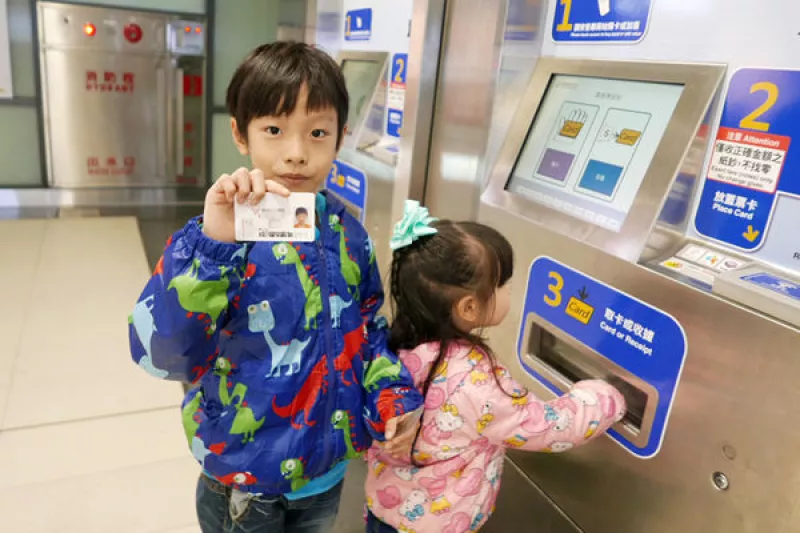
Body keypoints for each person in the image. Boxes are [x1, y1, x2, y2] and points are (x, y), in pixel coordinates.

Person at [128, 42, 423, 533]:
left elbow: (370, 333)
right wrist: (214, 241)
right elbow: (162, 355)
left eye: (317, 132)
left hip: (325, 475)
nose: (296, 153)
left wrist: (392, 395)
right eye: (273, 129)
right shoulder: (216, 239)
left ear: (341, 137)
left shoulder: (348, 236)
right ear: (239, 133)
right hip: (244, 485)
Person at [363, 201, 626, 533]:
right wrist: (603, 398)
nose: (508, 291)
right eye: (503, 284)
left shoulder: (388, 350)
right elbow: (545, 427)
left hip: (383, 514)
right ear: (470, 307)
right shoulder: (474, 381)